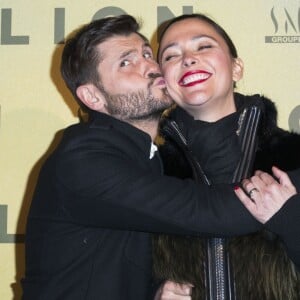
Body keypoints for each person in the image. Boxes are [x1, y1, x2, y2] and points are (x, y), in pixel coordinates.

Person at [21, 14, 277, 300]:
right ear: (93, 97)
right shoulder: (83, 159)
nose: (150, 66)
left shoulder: (148, 157)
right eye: (126, 62)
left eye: (146, 53)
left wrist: (153, 292)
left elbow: (104, 260)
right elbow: (208, 212)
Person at [153, 13, 300, 300]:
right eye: (171, 56)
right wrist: (153, 292)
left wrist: (289, 218)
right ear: (164, 83)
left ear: (236, 68)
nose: (188, 59)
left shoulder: (294, 155)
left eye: (204, 47)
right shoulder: (150, 172)